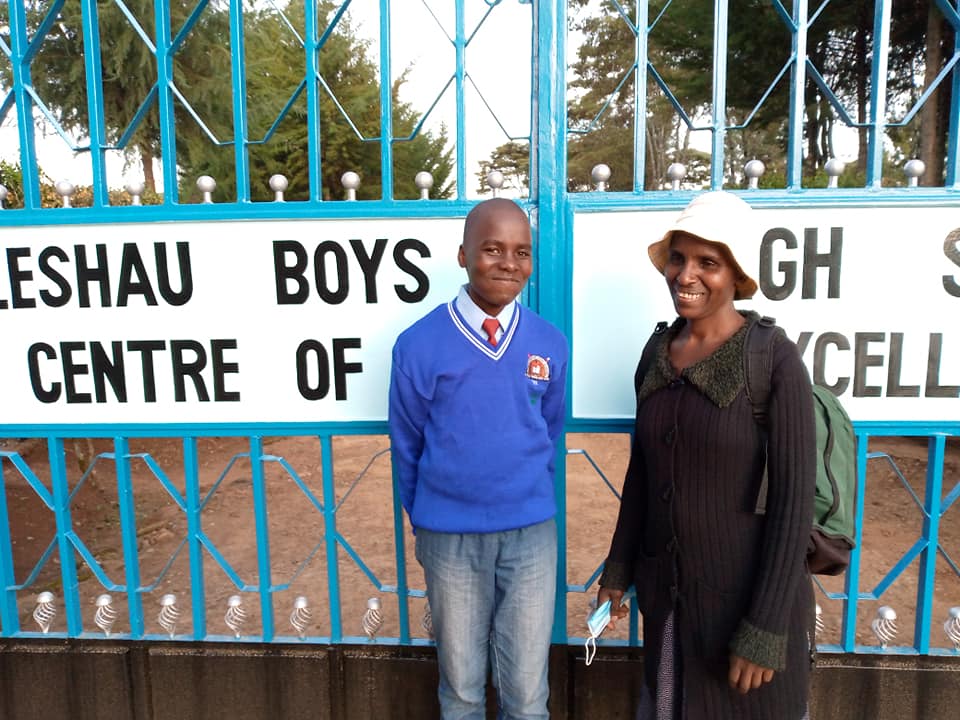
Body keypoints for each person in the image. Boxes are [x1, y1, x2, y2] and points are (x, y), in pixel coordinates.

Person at [597, 191, 816, 719]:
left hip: (745, 611)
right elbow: (644, 474)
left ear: (736, 274)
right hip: (670, 608)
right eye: (678, 258)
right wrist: (618, 568)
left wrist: (764, 628)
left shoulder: (774, 362)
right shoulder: (656, 353)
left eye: (707, 263)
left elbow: (792, 506)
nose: (685, 275)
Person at [389, 198, 568, 719]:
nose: (508, 263)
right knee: (463, 688)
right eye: (492, 249)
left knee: (528, 691)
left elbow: (548, 428)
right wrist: (427, 522)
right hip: (450, 539)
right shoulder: (419, 345)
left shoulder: (548, 342)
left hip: (531, 536)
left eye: (522, 252)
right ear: (463, 255)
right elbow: (408, 445)